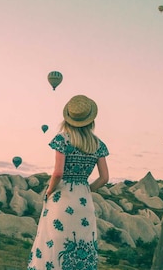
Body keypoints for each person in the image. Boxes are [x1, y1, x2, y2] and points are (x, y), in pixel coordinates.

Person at [28, 94, 110, 270]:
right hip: (84, 200)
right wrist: (88, 189)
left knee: (54, 243)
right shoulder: (98, 144)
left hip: (62, 198)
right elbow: (104, 178)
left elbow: (58, 172)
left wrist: (49, 191)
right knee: (82, 243)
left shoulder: (62, 140)